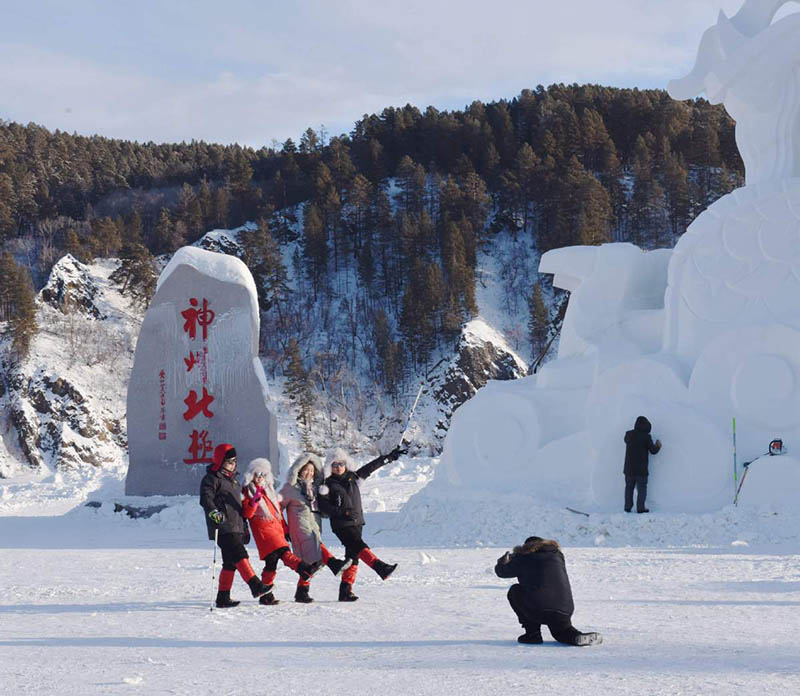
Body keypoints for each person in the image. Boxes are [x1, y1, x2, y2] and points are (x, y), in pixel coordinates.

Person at [322, 445, 405, 601]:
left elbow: (371, 467)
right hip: (341, 524)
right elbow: (325, 508)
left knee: (353, 556)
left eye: (341, 464)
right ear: (329, 467)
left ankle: (345, 591)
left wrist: (389, 457)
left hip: (357, 522)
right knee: (359, 546)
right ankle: (380, 567)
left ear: (345, 464)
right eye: (334, 465)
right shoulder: (327, 485)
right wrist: (343, 512)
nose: (338, 467)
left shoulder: (353, 477)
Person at [241, 458, 322, 605]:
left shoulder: (269, 490)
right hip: (263, 531)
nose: (260, 477)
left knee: (271, 562)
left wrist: (285, 530)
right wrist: (253, 501)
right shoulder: (247, 490)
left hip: (276, 529)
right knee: (283, 553)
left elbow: (278, 512)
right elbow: (247, 514)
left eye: (263, 474)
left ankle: (266, 595)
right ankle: (304, 569)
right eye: (257, 474)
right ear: (251, 475)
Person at [495, 536, 602, 646]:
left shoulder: (524, 556)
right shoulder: (557, 556)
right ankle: (576, 637)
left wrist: (502, 562)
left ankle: (533, 634)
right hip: (564, 610)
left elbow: (503, 572)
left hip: (538, 608)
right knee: (561, 632)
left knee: (515, 591)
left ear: (526, 547)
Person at [199, 443, 270, 608]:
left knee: (230, 563)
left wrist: (252, 502)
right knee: (239, 553)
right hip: (222, 526)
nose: (233, 464)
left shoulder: (235, 483)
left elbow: (241, 509)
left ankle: (223, 597)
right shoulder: (212, 478)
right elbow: (206, 498)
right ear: (220, 461)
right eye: (229, 461)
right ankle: (255, 585)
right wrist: (214, 512)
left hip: (236, 526)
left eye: (234, 461)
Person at [280, 453, 352, 603]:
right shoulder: (290, 488)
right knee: (317, 551)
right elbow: (276, 508)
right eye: (306, 470)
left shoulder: (315, 489)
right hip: (299, 528)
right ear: (299, 470)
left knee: (311, 563)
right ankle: (334, 564)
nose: (309, 473)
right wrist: (284, 528)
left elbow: (323, 510)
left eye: (312, 471)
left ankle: (301, 592)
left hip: (314, 526)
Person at [623, 415, 662, 513]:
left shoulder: (629, 435)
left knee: (629, 488)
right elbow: (653, 451)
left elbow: (625, 440)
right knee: (642, 489)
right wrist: (658, 445)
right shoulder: (646, 437)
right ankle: (640, 508)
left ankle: (627, 507)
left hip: (629, 468)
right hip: (641, 469)